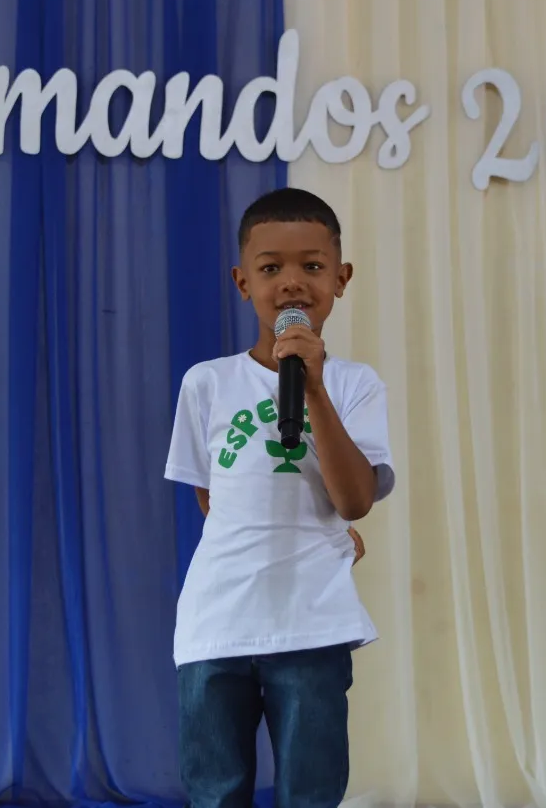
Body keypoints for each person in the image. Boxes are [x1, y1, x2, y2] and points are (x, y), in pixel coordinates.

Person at [165, 187, 396, 808]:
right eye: (271, 268)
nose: (292, 282)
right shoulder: (207, 383)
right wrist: (278, 532)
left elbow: (355, 500)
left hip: (312, 622)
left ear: (341, 278)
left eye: (312, 265)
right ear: (243, 282)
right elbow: (213, 496)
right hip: (217, 624)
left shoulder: (354, 385)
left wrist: (313, 388)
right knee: (215, 790)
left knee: (310, 791)